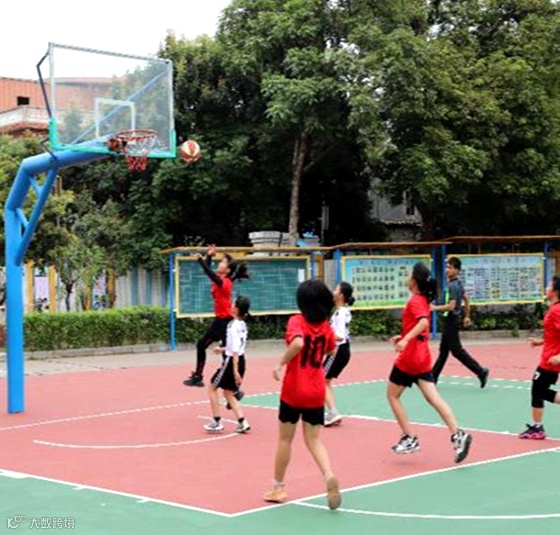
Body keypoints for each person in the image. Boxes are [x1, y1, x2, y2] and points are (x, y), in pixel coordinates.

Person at [264, 279, 342, 510]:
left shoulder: (297, 321)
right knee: (314, 440)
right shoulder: (325, 327)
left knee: (285, 439)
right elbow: (332, 349)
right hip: (316, 390)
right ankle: (329, 475)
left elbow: (298, 343)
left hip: (294, 390)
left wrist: (280, 363)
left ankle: (278, 487)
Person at [388, 262, 472, 464]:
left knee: (392, 395)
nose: (407, 279)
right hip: (422, 357)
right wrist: (403, 336)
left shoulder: (416, 300)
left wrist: (406, 340)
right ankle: (458, 434)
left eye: (410, 276)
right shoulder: (423, 300)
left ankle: (409, 437)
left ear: (414, 281)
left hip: (410, 358)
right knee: (433, 398)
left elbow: (423, 322)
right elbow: (419, 324)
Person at [183, 245, 249, 389]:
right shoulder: (219, 279)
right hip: (219, 322)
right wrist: (209, 256)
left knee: (228, 354)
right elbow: (208, 271)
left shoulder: (225, 282)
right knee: (201, 345)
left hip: (226, 323)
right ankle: (198, 376)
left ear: (228, 270)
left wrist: (201, 259)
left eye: (223, 262)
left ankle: (234, 386)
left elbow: (208, 271)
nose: (220, 263)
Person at [431, 257, 489, 388]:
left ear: (457, 270)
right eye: (447, 267)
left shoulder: (453, 286)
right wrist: (467, 316)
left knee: (456, 351)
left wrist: (434, 308)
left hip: (451, 321)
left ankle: (481, 372)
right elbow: (466, 299)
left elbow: (451, 306)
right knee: (444, 351)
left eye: (450, 267)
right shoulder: (457, 283)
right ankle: (433, 378)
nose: (447, 270)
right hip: (450, 321)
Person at [518, 275, 560, 440]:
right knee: (540, 390)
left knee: (537, 390)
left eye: (549, 286)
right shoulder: (554, 308)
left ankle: (537, 428)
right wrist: (540, 341)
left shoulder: (557, 310)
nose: (546, 288)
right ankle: (537, 427)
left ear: (555, 291)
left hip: (551, 360)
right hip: (549, 357)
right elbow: (554, 334)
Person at [204, 295, 252, 434]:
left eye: (233, 304)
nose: (231, 306)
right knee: (228, 392)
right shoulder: (243, 325)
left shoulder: (232, 325)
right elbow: (236, 346)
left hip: (232, 362)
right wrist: (222, 349)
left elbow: (235, 351)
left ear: (236, 309)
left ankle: (217, 421)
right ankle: (242, 422)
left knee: (212, 387)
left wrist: (235, 371)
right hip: (241, 360)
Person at [324, 281, 355, 427]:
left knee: (321, 380)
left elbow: (340, 336)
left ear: (341, 295)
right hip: (341, 350)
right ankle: (332, 412)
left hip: (338, 350)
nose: (333, 292)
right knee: (325, 381)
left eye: (336, 289)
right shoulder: (340, 311)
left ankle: (333, 412)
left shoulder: (341, 312)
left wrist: (323, 334)